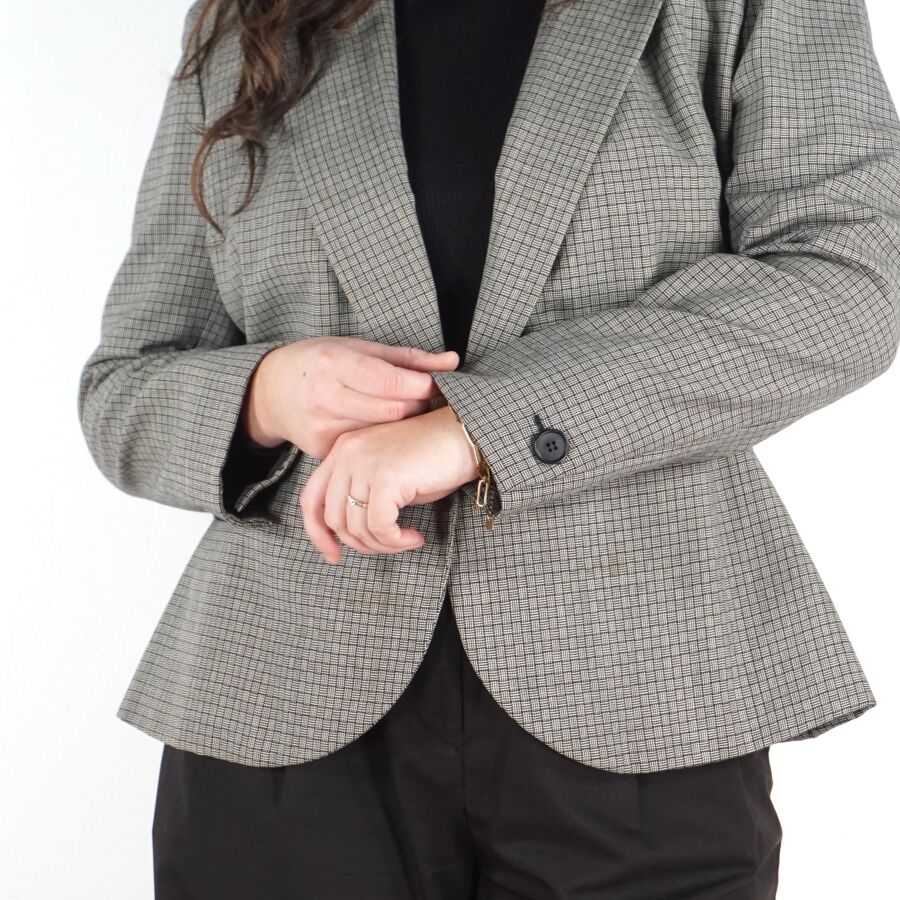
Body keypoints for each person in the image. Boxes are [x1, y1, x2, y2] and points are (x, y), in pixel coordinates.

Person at [77, 0, 900, 896]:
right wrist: (268, 393)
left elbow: (849, 275)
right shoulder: (248, 20)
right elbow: (125, 388)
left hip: (645, 698)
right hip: (283, 707)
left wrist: (484, 425)